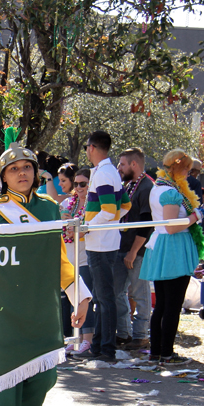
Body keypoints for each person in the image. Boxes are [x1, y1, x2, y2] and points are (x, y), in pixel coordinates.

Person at [0, 128, 91, 406]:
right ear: (3, 176)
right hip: (3, 307)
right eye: (13, 169)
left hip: (41, 307)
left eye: (27, 167)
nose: (22, 173)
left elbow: (59, 258)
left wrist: (80, 295)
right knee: (7, 380)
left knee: (44, 376)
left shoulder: (49, 208)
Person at [139, 149, 204, 365]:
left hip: (165, 247)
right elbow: (171, 226)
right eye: (186, 169)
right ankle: (167, 353)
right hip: (172, 249)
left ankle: (157, 352)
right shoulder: (169, 191)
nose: (189, 174)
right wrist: (200, 214)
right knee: (171, 304)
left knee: (163, 304)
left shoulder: (160, 187)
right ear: (175, 168)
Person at [76, 130, 130, 362]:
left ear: (92, 148)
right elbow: (124, 206)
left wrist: (89, 225)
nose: (86, 151)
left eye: (87, 147)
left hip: (101, 244)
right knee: (101, 297)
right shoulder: (108, 171)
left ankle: (106, 349)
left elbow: (110, 210)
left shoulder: (104, 173)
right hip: (104, 242)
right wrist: (106, 224)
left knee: (105, 299)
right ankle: (99, 346)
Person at [114, 148, 154, 350]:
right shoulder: (129, 186)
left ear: (134, 165)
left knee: (140, 293)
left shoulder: (147, 186)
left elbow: (147, 223)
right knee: (117, 292)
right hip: (121, 247)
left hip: (136, 251)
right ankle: (123, 333)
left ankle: (141, 336)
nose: (119, 168)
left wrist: (133, 251)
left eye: (122, 164)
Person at [60, 168, 95, 355]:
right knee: (71, 301)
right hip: (69, 257)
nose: (79, 187)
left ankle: (87, 340)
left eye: (84, 183)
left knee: (84, 297)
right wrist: (63, 220)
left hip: (85, 257)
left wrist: (83, 229)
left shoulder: (92, 204)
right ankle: (75, 338)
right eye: (76, 184)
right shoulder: (68, 203)